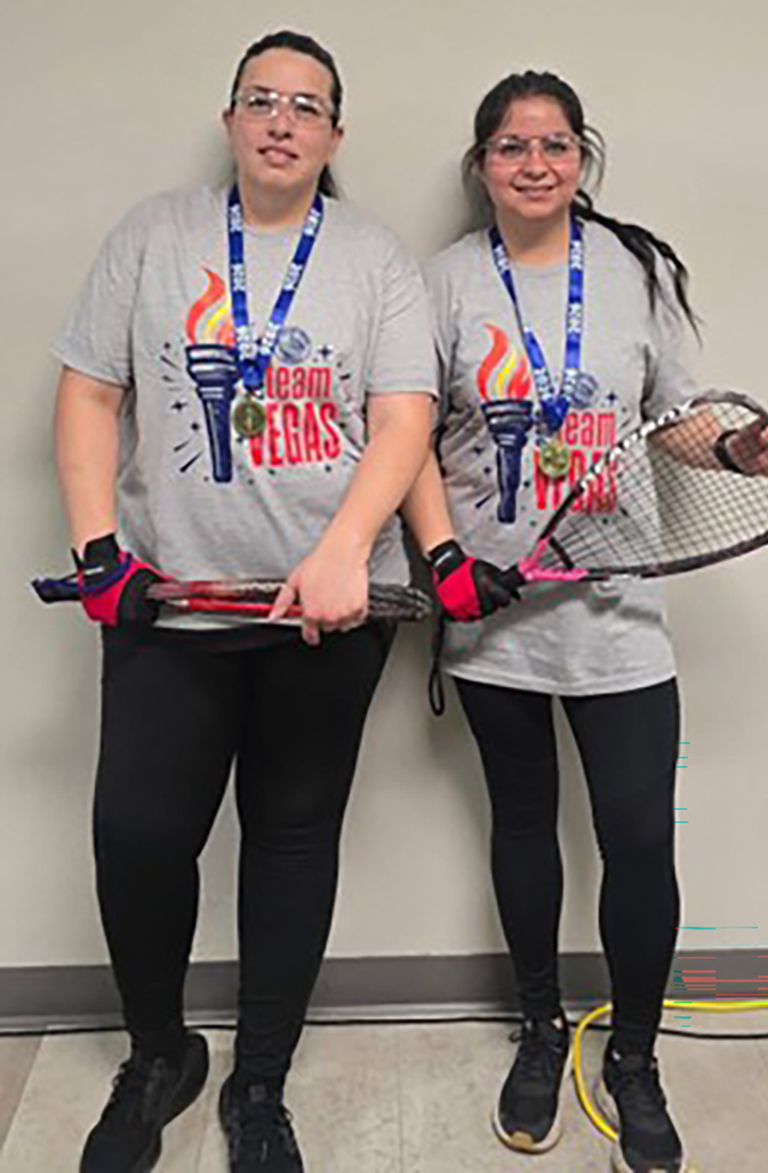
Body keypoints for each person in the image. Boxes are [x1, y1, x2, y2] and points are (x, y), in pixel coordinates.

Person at [49, 29, 436, 1173]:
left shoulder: (374, 260)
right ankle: (162, 1054)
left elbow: (404, 418)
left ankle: (259, 1081)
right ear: (229, 120)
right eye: (260, 99)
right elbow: (88, 391)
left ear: (333, 135)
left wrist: (345, 551)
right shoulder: (153, 235)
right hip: (168, 614)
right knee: (138, 837)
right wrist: (97, 548)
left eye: (305, 105)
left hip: (322, 623)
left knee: (290, 840)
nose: (281, 120)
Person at [403, 70, 768, 1173]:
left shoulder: (633, 272)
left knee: (634, 838)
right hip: (490, 615)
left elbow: (672, 424)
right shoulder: (436, 284)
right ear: (481, 163)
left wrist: (739, 451)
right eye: (510, 146)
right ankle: (536, 1030)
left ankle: (632, 1055)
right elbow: (411, 441)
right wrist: (444, 564)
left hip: (617, 611)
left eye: (556, 145)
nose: (534, 164)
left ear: (582, 159)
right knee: (520, 828)